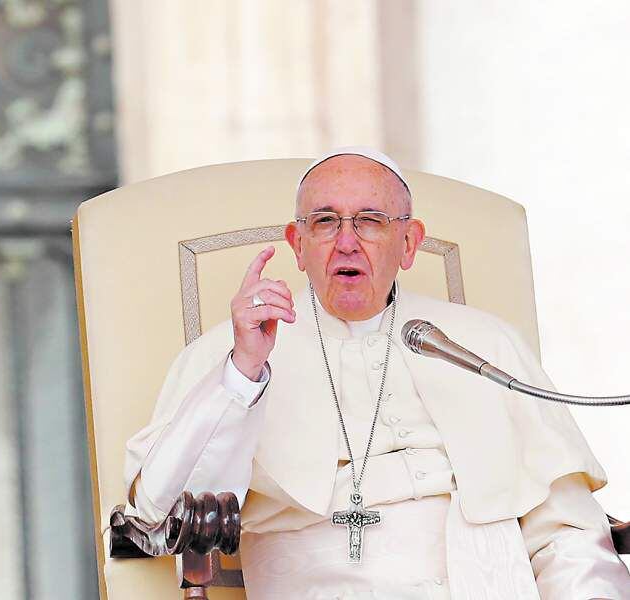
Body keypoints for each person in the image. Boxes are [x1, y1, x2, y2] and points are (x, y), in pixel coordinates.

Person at [123, 147, 630, 599]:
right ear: (297, 245)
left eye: (369, 221)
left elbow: (568, 531)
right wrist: (244, 370)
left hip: (487, 575)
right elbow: (156, 507)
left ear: (409, 243)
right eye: (325, 222)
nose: (346, 242)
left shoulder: (483, 344)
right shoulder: (231, 351)